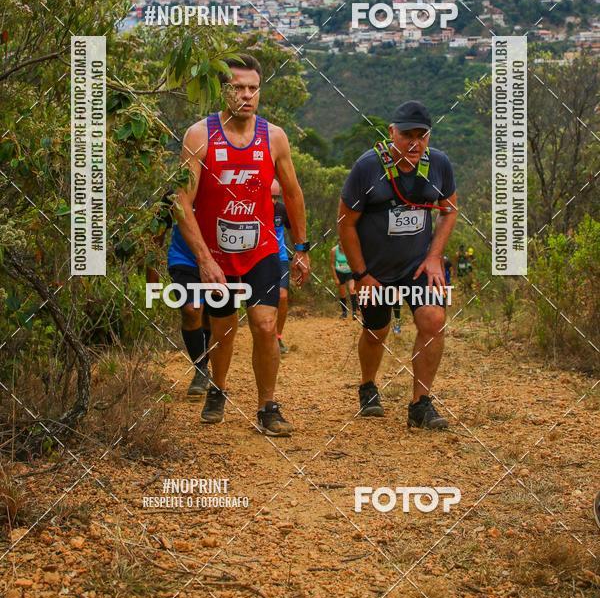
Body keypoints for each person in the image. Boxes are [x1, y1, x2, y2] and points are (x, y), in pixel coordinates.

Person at [167, 54, 310, 436]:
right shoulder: (199, 135)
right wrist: (203, 260)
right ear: (222, 90)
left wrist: (301, 246)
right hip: (216, 255)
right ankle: (218, 387)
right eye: (238, 88)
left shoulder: (274, 137)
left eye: (253, 88)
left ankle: (267, 407)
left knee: (265, 325)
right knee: (224, 327)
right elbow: (181, 201)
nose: (246, 95)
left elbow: (293, 193)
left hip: (260, 250)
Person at [338, 100, 457, 430]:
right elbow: (345, 224)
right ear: (392, 133)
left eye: (422, 136)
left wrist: (434, 257)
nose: (415, 143)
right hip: (375, 272)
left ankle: (420, 404)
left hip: (417, 267)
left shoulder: (439, 165)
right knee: (376, 331)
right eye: (407, 136)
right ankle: (368, 386)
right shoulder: (367, 167)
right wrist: (361, 274)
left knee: (433, 320)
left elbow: (449, 210)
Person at [147, 193, 212, 398]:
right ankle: (201, 369)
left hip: (218, 259)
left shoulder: (221, 187)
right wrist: (152, 279)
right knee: (192, 310)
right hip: (183, 260)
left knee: (211, 317)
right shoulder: (172, 196)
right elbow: (155, 237)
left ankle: (208, 365)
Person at [271, 178, 291, 355]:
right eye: (269, 196)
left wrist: (300, 253)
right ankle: (264, 336)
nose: (272, 200)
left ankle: (278, 336)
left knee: (282, 296)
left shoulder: (282, 210)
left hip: (281, 258)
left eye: (275, 197)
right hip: (260, 260)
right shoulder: (252, 209)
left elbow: (293, 230)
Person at [330, 241, 358, 319]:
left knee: (352, 289)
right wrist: (336, 278)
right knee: (342, 293)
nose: (341, 247)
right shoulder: (334, 250)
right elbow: (332, 265)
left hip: (350, 272)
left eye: (343, 246)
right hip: (340, 273)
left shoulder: (350, 248)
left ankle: (354, 312)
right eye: (340, 246)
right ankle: (344, 312)